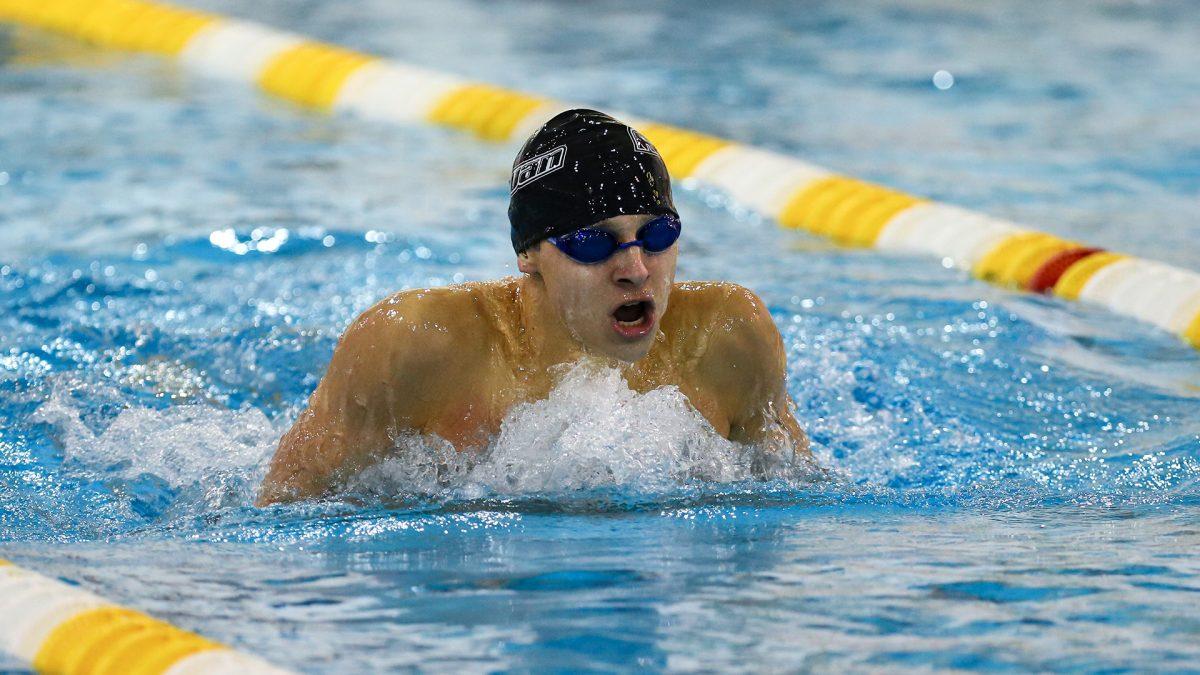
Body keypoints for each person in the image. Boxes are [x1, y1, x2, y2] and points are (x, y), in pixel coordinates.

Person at [256, 109, 810, 505]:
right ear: (529, 254)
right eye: (594, 243)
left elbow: (802, 499)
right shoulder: (415, 346)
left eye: (657, 234)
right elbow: (280, 515)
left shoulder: (726, 340)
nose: (637, 269)